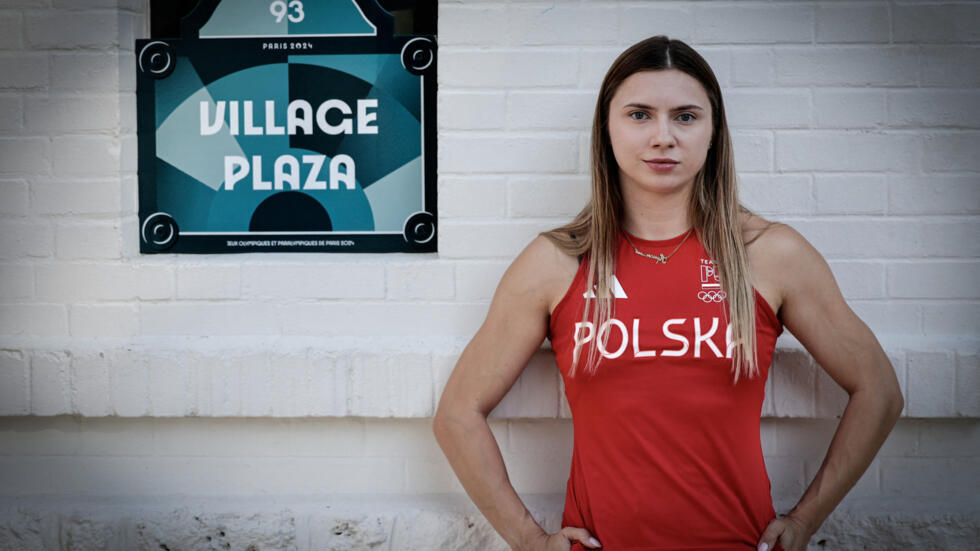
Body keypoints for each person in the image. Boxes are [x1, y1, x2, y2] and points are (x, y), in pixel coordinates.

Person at [432, 35, 904, 551]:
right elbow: (457, 414)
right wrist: (528, 539)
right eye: (639, 115)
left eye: (685, 116)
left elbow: (878, 391)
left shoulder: (770, 254)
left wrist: (806, 519)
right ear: (606, 131)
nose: (663, 137)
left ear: (712, 132)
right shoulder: (557, 262)